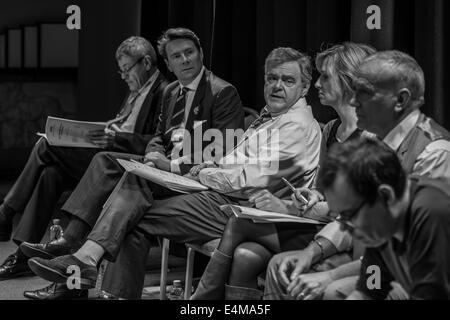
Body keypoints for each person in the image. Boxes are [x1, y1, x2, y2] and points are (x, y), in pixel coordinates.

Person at [27, 47, 322, 300]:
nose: (276, 86)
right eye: (272, 78)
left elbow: (247, 180)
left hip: (246, 212)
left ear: (305, 88)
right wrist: (199, 169)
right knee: (136, 181)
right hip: (221, 196)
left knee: (131, 213)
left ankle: (85, 260)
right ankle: (86, 260)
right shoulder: (271, 118)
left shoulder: (295, 126)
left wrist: (200, 173)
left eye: (288, 80)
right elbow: (230, 161)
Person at [21, 27, 244, 300]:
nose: (185, 59)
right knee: (107, 164)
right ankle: (75, 244)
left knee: (129, 187)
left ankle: (78, 261)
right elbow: (159, 137)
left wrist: (169, 166)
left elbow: (223, 154)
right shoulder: (172, 91)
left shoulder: (223, 92)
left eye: (190, 52)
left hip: (194, 179)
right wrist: (153, 155)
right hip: (162, 171)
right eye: (177, 56)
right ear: (169, 65)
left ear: (200, 54)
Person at [190, 42, 376, 300]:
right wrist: (308, 195)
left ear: (348, 82)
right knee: (245, 256)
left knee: (239, 222)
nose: (317, 84)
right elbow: (320, 192)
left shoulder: (371, 139)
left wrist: (288, 207)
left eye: (325, 76)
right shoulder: (331, 129)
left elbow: (354, 214)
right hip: (319, 222)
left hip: (344, 237)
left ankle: (200, 301)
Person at [265, 50, 450, 300]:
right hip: (378, 260)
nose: (353, 101)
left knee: (338, 292)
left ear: (400, 100)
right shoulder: (373, 140)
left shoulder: (434, 152)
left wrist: (335, 276)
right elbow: (354, 218)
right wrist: (312, 251)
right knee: (286, 267)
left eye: (365, 92)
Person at [0, 36, 168, 282]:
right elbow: (122, 125)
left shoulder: (164, 91)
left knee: (47, 144)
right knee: (51, 174)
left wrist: (116, 140)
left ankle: (6, 212)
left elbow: (157, 141)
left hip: (124, 164)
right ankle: (22, 255)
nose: (123, 76)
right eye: (120, 71)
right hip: (106, 155)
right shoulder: (136, 90)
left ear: (145, 62)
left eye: (126, 69)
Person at [312, 139, 449, 299]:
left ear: (386, 195)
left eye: (349, 215)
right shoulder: (382, 227)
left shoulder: (433, 215)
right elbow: (372, 287)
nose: (343, 228)